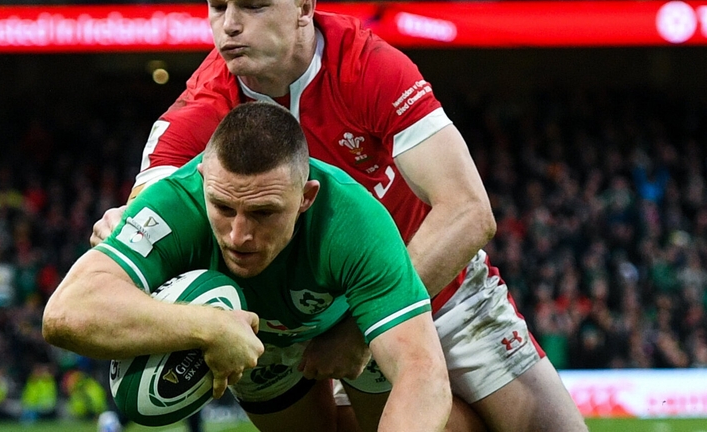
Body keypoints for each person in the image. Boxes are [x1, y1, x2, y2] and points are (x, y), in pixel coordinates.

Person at [91, 0, 588, 430]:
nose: (230, 25)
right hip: (310, 318)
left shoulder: (368, 67)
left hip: (444, 289)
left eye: (253, 6)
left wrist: (361, 328)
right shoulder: (198, 111)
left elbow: (468, 211)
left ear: (305, 8)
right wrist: (121, 230)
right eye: (217, 7)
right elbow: (143, 219)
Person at [44, 102, 453, 432]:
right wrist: (210, 327)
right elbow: (65, 312)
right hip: (256, 347)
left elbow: (424, 371)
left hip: (349, 328)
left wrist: (352, 335)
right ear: (203, 178)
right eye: (223, 207)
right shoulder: (175, 204)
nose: (239, 235)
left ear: (306, 197)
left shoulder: (354, 222)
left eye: (263, 213)